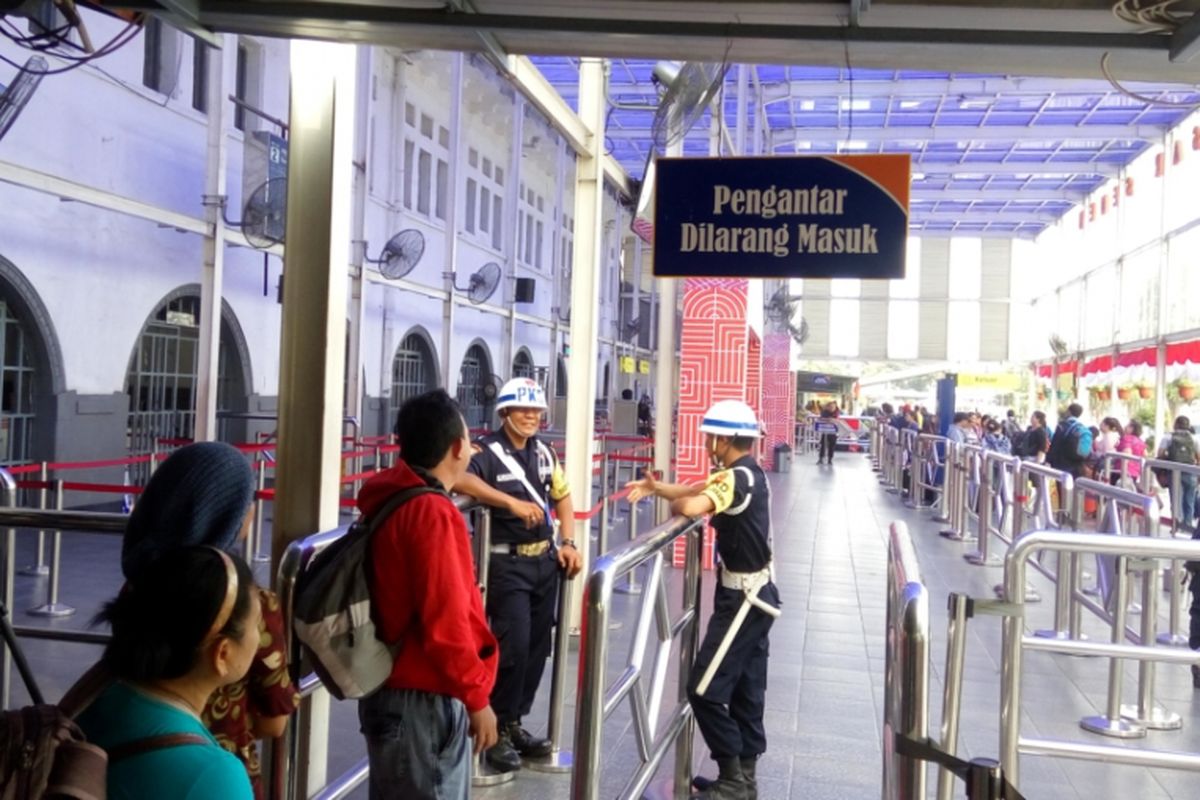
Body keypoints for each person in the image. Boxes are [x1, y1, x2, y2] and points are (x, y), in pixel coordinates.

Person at [120, 442, 298, 799]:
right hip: (218, 773)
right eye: (246, 501)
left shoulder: (138, 586)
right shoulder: (250, 604)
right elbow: (274, 721)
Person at [626, 400, 780, 800]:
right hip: (754, 595)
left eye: (711, 436)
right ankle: (744, 778)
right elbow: (700, 488)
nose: (708, 442)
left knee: (704, 688)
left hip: (745, 599)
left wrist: (676, 505)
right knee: (747, 688)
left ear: (725, 438)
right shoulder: (746, 473)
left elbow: (693, 503)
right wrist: (658, 488)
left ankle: (732, 778)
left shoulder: (734, 479)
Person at [357, 389, 500, 799]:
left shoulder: (391, 498)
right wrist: (476, 699)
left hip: (390, 691)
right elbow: (447, 620)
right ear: (457, 447)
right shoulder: (433, 513)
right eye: (469, 441)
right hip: (423, 699)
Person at [454, 377, 583, 773]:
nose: (531, 416)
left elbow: (561, 496)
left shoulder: (545, 453)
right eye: (522, 409)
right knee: (511, 646)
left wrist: (569, 542)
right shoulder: (486, 452)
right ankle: (494, 730)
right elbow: (461, 479)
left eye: (536, 410)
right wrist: (509, 502)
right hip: (506, 565)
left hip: (544, 562)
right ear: (504, 412)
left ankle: (513, 723)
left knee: (536, 649)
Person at [77, 546, 261, 800]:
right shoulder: (215, 775)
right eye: (257, 624)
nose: (259, 637)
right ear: (222, 654)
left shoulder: (92, 697)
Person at [1158, 415, 1198, 531]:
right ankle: (1188, 525)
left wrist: (1168, 457)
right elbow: (1198, 456)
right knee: (1189, 499)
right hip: (1190, 471)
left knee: (1176, 500)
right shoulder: (1194, 438)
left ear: (1176, 424)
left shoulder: (1168, 437)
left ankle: (1176, 525)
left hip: (1174, 472)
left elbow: (1160, 454)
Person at [1047, 402, 1093, 479]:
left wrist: (1049, 459)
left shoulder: (1062, 426)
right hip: (1077, 466)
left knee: (1063, 488)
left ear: (1069, 411)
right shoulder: (1082, 428)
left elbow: (1054, 445)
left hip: (1062, 465)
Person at [1116, 419, 1146, 486]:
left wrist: (1123, 473)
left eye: (1127, 425)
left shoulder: (1127, 439)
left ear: (1132, 428)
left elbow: (1126, 455)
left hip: (1123, 472)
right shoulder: (1141, 441)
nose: (1125, 426)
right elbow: (1144, 455)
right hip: (1135, 473)